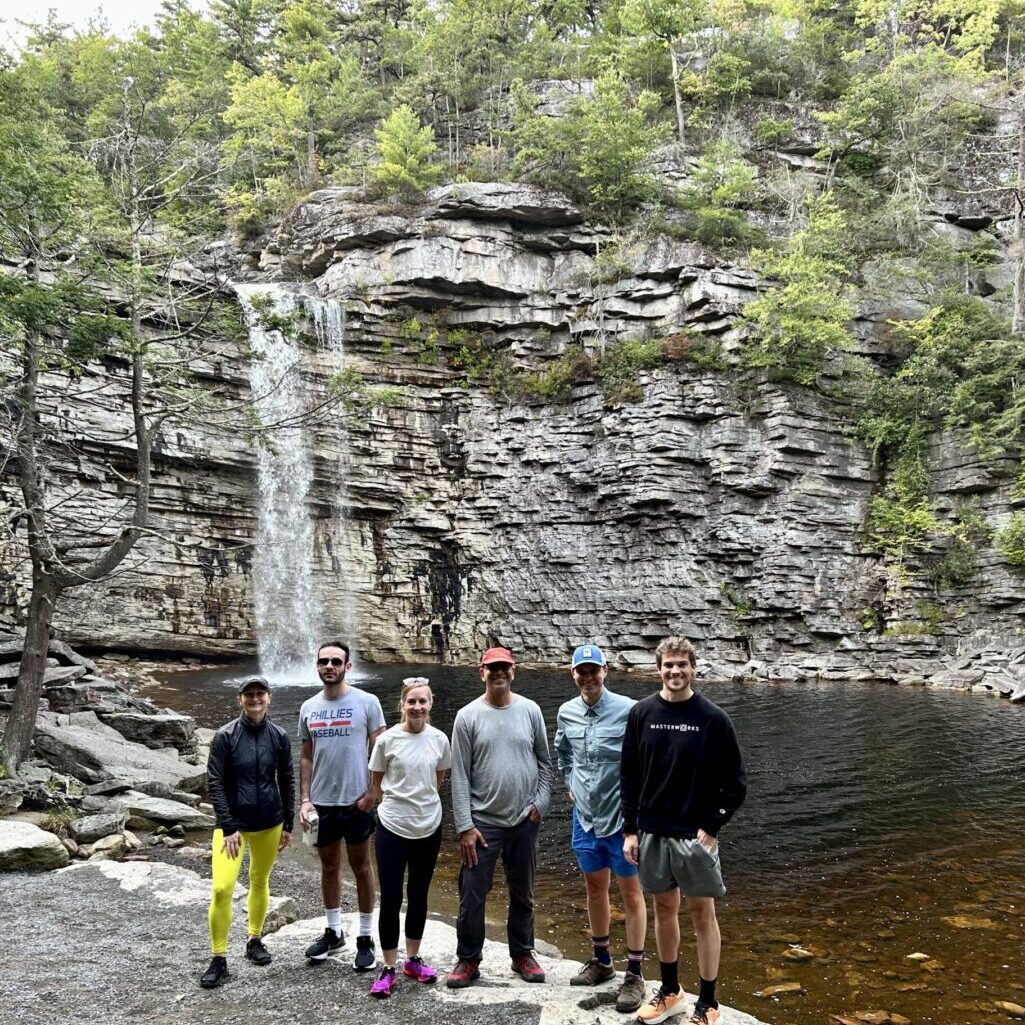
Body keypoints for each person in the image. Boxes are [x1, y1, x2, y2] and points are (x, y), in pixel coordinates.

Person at [621, 637, 747, 1025]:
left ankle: (708, 1001)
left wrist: (713, 823)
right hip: (652, 830)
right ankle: (671, 990)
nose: (675, 671)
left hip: (693, 834)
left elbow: (736, 782)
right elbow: (629, 775)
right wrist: (630, 830)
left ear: (694, 668)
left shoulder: (713, 718)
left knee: (702, 913)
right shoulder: (642, 713)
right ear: (658, 669)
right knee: (663, 908)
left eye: (682, 665)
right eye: (668, 665)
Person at [446, 646, 552, 989]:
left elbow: (544, 763)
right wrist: (464, 825)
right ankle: (468, 958)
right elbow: (459, 774)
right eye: (492, 668)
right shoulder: (467, 716)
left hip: (524, 818)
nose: (499, 673)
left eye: (504, 667)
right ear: (482, 672)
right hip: (483, 822)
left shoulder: (531, 711)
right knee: (472, 894)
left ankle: (522, 953)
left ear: (513, 671)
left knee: (523, 892)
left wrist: (542, 802)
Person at [555, 643, 647, 1013]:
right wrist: (569, 784)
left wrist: (638, 820)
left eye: (594, 670)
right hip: (585, 819)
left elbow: (644, 761)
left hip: (622, 820)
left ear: (605, 671)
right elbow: (563, 752)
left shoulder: (629, 710)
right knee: (595, 887)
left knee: (631, 892)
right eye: (582, 671)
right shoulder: (567, 713)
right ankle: (603, 961)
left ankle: (636, 972)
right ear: (573, 674)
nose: (588, 677)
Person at [200, 674, 294, 989]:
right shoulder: (225, 736)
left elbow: (287, 780)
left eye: (260, 694)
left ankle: (254, 939)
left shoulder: (279, 736)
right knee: (222, 888)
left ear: (269, 698)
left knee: (260, 880)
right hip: (233, 827)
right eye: (249, 694)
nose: (255, 699)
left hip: (270, 821)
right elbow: (215, 781)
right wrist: (227, 825)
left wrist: (289, 823)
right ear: (240, 699)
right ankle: (218, 957)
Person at [298, 641, 386, 970]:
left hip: (357, 801)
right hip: (322, 802)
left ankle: (365, 935)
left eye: (336, 661)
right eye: (324, 661)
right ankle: (333, 931)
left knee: (362, 866)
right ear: (317, 666)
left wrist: (373, 792)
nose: (330, 666)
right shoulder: (308, 707)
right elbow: (306, 756)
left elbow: (382, 750)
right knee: (329, 866)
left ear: (348, 666)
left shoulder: (367, 702)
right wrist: (305, 800)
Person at [364, 677, 452, 998]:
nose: (417, 707)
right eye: (411, 701)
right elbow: (377, 784)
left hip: (428, 826)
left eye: (422, 701)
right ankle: (388, 966)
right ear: (402, 704)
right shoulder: (387, 741)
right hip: (392, 826)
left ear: (430, 705)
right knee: (390, 897)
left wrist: (420, 804)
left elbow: (436, 780)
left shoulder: (440, 739)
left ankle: (412, 959)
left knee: (419, 894)